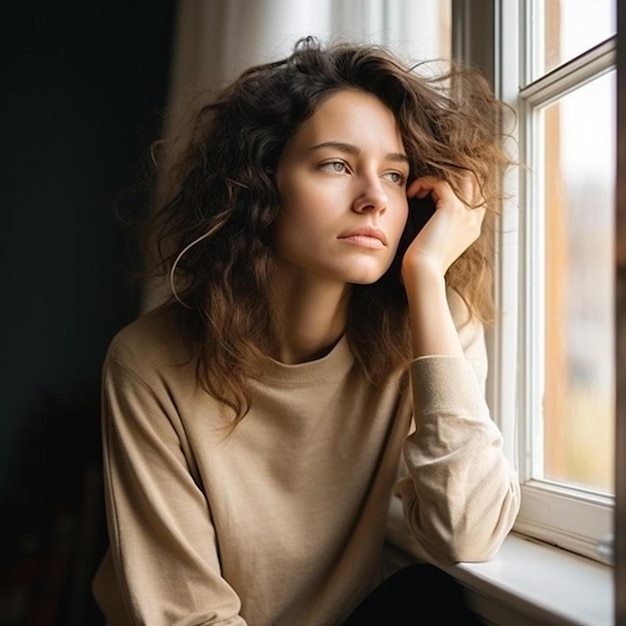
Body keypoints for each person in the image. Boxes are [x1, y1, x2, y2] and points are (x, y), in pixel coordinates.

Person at [92, 36, 520, 625]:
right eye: (337, 165)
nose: (373, 199)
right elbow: (187, 617)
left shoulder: (431, 328)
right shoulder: (150, 364)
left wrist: (425, 275)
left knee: (432, 602)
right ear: (260, 185)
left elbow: (467, 534)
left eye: (395, 176)